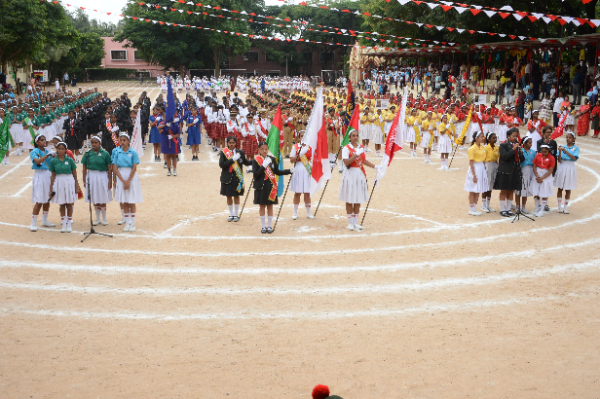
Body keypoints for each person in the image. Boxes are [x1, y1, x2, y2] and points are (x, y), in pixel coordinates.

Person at [339, 128, 377, 231]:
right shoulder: (346, 148)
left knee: (357, 198)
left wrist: (375, 166)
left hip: (359, 174)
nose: (355, 137)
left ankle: (355, 222)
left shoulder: (361, 147)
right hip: (350, 174)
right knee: (349, 198)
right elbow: (346, 162)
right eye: (353, 136)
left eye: (357, 136)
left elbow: (363, 161)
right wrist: (356, 154)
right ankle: (350, 222)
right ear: (350, 138)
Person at [252, 142, 292, 234]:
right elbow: (255, 174)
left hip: (270, 186)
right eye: (262, 149)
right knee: (262, 205)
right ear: (259, 150)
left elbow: (277, 172)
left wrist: (289, 171)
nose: (264, 151)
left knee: (270, 205)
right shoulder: (256, 161)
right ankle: (263, 226)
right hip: (260, 186)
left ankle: (269, 226)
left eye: (266, 149)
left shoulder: (272, 159)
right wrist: (263, 166)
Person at [111, 133, 142, 232]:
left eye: (125, 140)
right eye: (121, 140)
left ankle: (132, 223)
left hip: (130, 176)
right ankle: (127, 223)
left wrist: (128, 181)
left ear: (128, 141)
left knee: (131, 200)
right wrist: (122, 180)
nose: (123, 142)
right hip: (121, 175)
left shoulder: (133, 153)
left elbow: (134, 168)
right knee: (124, 201)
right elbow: (114, 167)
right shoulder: (117, 152)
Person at [49, 141, 81, 233]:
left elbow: (74, 173)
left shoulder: (70, 160)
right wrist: (51, 188)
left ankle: (69, 224)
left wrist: (76, 186)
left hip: (69, 181)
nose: (61, 150)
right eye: (59, 148)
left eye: (63, 149)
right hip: (59, 182)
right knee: (62, 204)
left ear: (66, 150)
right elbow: (53, 175)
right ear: (57, 149)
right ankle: (63, 224)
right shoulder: (53, 161)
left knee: (69, 204)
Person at [219, 136, 252, 222]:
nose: (231, 144)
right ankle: (231, 214)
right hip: (227, 177)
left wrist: (257, 161)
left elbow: (246, 162)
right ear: (227, 143)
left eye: (233, 143)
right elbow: (221, 165)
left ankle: (236, 214)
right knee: (229, 196)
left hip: (237, 177)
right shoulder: (223, 152)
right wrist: (232, 160)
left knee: (237, 195)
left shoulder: (240, 152)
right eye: (230, 143)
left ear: (236, 143)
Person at [81, 135, 112, 226]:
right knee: (94, 197)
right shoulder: (87, 153)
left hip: (102, 175)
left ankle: (104, 218)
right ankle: (97, 218)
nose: (94, 144)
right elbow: (84, 167)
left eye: (96, 142)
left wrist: (110, 180)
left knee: (102, 197)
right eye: (92, 142)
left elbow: (109, 168)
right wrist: (84, 179)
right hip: (91, 176)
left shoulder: (105, 153)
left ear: (100, 143)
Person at [493, 128, 524, 217]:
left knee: (511, 190)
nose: (515, 138)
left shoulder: (518, 145)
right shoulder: (503, 145)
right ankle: (503, 209)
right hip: (505, 170)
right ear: (508, 136)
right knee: (504, 190)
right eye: (513, 136)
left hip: (515, 171)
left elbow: (521, 160)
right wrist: (513, 149)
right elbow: (505, 156)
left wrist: (521, 152)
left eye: (516, 136)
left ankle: (508, 209)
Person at [29, 134, 56, 232]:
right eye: (41, 140)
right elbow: (37, 161)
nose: (44, 142)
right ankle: (33, 223)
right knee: (39, 200)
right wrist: (48, 155)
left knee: (47, 199)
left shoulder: (48, 151)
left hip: (48, 175)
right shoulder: (34, 151)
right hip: (39, 176)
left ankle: (44, 220)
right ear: (37, 142)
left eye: (45, 140)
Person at [289, 131, 314, 220]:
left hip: (307, 170)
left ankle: (308, 212)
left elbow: (315, 159)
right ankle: (295, 212)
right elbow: (291, 160)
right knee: (298, 193)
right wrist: (300, 154)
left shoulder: (310, 147)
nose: (303, 138)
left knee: (307, 192)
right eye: (301, 136)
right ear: (299, 137)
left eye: (305, 136)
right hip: (298, 170)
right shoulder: (295, 147)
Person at [464, 131, 489, 216]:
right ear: (476, 138)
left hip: (481, 168)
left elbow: (484, 159)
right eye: (481, 137)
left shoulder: (482, 147)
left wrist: (484, 169)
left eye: (483, 137)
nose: (483, 138)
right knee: (472, 190)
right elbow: (471, 162)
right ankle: (471, 208)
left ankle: (475, 208)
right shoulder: (472, 149)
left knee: (478, 189)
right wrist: (474, 175)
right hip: (475, 168)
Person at [554, 132, 579, 214]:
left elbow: (573, 158)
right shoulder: (562, 147)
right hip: (562, 166)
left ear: (573, 139)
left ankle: (565, 207)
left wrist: (565, 150)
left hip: (570, 167)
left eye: (570, 137)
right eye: (567, 137)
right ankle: (559, 207)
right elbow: (559, 160)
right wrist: (560, 152)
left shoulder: (576, 148)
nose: (568, 139)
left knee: (568, 188)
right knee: (560, 187)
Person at [531, 144, 556, 218]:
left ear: (549, 151)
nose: (544, 153)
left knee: (544, 193)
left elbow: (551, 170)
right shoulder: (538, 155)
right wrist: (537, 176)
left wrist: (542, 178)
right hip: (538, 174)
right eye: (543, 151)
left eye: (545, 151)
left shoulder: (551, 158)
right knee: (536, 192)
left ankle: (542, 210)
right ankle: (536, 208)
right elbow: (534, 166)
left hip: (546, 175)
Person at [515, 136, 536, 214]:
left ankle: (523, 206)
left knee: (526, 189)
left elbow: (534, 163)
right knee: (519, 190)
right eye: (529, 143)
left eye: (531, 142)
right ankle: (517, 206)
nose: (531, 144)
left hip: (530, 171)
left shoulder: (533, 152)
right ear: (525, 143)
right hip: (522, 170)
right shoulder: (520, 151)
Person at [482, 132, 499, 213]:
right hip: (488, 165)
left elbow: (498, 158)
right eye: (493, 138)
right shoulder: (486, 148)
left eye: (495, 138)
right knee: (486, 186)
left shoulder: (497, 148)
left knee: (491, 186)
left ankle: (488, 205)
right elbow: (483, 160)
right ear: (489, 139)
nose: (495, 139)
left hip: (494, 165)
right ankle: (483, 205)